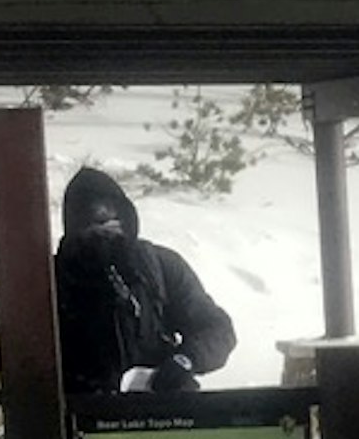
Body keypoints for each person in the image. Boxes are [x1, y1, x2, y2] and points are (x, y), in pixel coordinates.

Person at [53, 165, 239, 395]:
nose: (104, 232)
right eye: (91, 224)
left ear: (126, 218)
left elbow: (216, 328)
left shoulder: (158, 266)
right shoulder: (52, 279)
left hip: (163, 408)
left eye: (110, 221)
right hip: (86, 415)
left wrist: (185, 360)